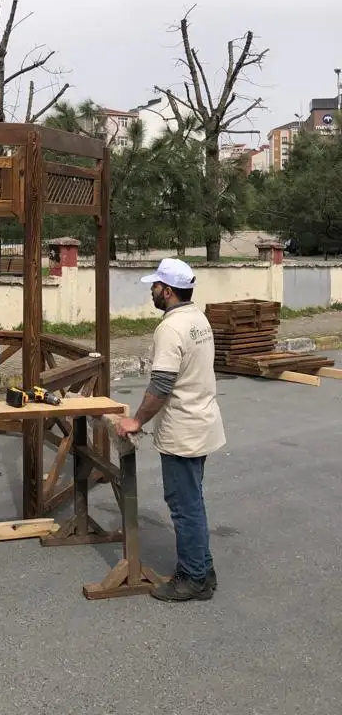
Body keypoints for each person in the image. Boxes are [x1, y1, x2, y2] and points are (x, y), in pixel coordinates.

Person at [116, 258, 226, 602]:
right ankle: (202, 570)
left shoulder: (171, 328)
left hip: (183, 428)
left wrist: (136, 421)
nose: (152, 291)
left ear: (168, 290)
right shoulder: (198, 319)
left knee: (183, 505)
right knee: (193, 501)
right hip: (202, 422)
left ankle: (192, 578)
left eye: (155, 286)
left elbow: (161, 385)